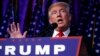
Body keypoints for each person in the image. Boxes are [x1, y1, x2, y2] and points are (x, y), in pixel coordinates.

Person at [7, 2, 89, 56]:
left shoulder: (81, 41)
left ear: (70, 17)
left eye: (62, 11)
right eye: (54, 13)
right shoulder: (40, 39)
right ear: (50, 20)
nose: (58, 15)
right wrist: (21, 45)